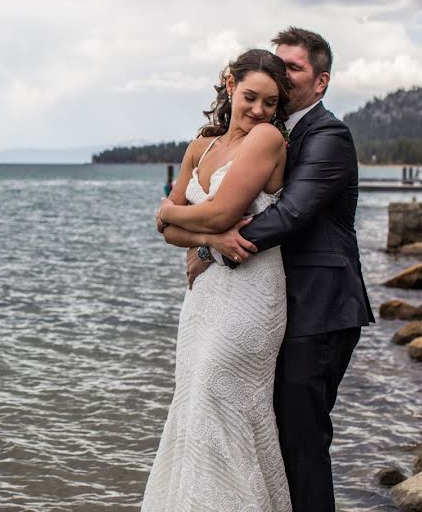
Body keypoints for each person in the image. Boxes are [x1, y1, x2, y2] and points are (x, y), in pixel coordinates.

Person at [180, 27, 374, 512]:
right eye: (277, 65)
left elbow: (289, 215)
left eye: (293, 69)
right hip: (271, 304)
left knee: (302, 442)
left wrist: (208, 247)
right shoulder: (266, 132)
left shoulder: (328, 135)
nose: (282, 77)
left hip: (319, 310)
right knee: (263, 431)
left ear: (321, 81)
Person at [141, 48, 293, 511]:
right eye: (250, 96)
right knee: (192, 402)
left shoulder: (267, 139)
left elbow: (222, 211)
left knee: (218, 394)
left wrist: (173, 212)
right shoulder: (201, 147)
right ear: (230, 85)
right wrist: (208, 240)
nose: (258, 110)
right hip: (204, 297)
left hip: (252, 294)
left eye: (270, 102)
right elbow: (169, 233)